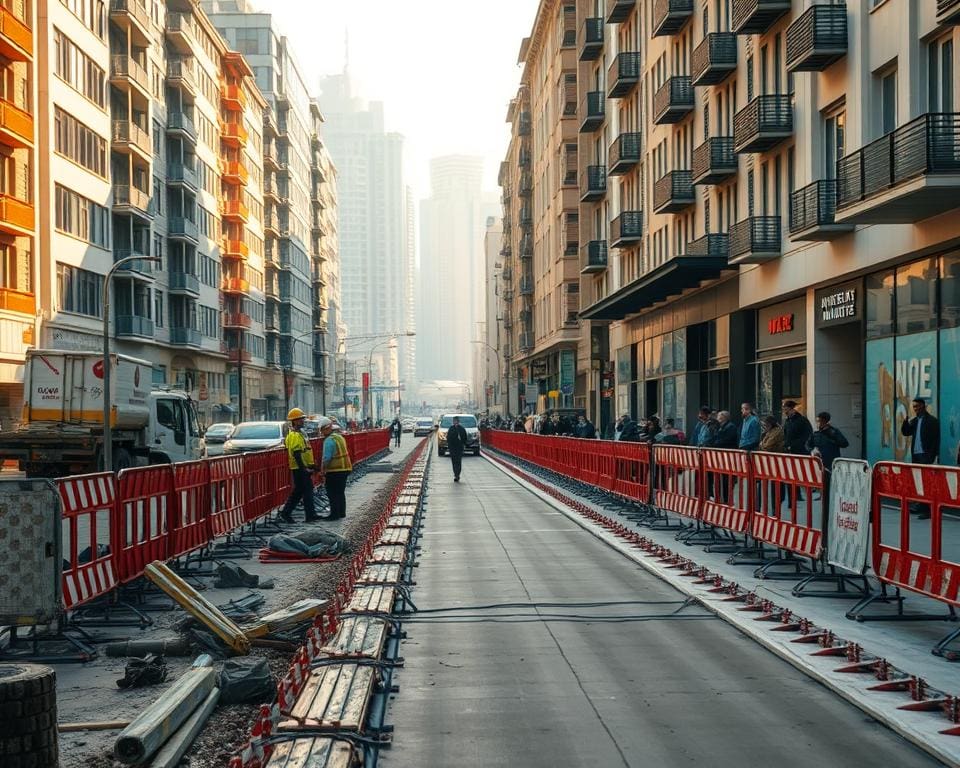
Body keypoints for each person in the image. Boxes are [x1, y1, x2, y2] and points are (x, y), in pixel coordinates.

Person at [279, 407, 320, 524]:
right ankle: (309, 515)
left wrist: (312, 466)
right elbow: (297, 454)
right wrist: (304, 468)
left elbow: (304, 451)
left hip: (302, 467)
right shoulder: (294, 435)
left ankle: (287, 513)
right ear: (295, 421)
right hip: (299, 468)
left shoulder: (300, 434)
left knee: (299, 491)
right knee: (307, 490)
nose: (303, 421)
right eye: (300, 419)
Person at [901, 397, 940, 519]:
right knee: (919, 482)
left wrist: (931, 456)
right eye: (914, 407)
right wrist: (905, 422)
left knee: (927, 483)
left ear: (923, 406)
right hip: (916, 456)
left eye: (917, 406)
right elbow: (906, 432)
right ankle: (921, 505)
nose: (915, 409)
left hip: (925, 456)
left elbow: (935, 440)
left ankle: (928, 509)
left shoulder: (932, 421)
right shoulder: (914, 421)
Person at [319, 417, 352, 519]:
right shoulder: (339, 437)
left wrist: (323, 470)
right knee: (340, 492)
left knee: (332, 493)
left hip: (335, 470)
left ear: (326, 429)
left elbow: (326, 458)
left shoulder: (329, 440)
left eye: (322, 430)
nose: (321, 433)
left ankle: (334, 514)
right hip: (345, 468)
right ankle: (342, 512)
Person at [446, 415, 468, 482]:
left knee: (458, 461)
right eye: (454, 421)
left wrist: (463, 444)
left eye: (456, 421)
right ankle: (456, 474)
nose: (455, 422)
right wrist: (449, 446)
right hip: (452, 448)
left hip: (459, 447)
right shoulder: (451, 428)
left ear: (458, 421)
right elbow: (448, 438)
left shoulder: (462, 429)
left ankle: (457, 474)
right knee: (454, 462)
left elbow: (465, 438)